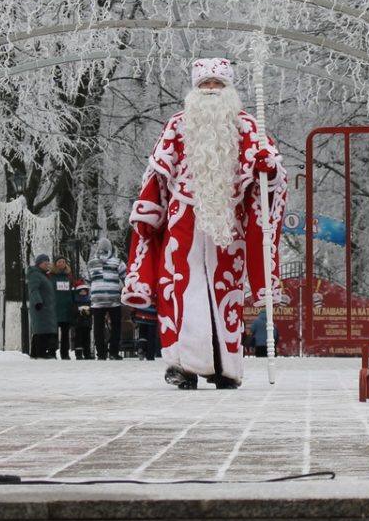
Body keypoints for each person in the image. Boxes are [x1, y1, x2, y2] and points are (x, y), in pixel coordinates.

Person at [122, 57, 287, 390]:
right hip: (183, 223)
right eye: (205, 84)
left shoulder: (247, 126)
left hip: (229, 222)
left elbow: (268, 182)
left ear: (228, 89)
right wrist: (149, 212)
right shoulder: (178, 124)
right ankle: (182, 366)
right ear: (195, 89)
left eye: (218, 84)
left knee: (224, 293)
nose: (211, 90)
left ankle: (224, 368)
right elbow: (158, 173)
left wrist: (269, 170)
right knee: (181, 292)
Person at [87, 237, 126, 360]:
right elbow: (125, 277)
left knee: (98, 326)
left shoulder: (91, 263)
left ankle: (101, 353)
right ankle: (114, 352)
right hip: (113, 297)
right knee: (116, 325)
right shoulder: (117, 262)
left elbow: (87, 280)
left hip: (97, 298)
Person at [27, 253, 56, 359]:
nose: (47, 264)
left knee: (41, 330)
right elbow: (33, 289)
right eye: (45, 262)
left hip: (46, 307)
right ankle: (41, 353)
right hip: (40, 307)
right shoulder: (35, 274)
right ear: (39, 263)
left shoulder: (44, 275)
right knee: (41, 330)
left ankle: (35, 353)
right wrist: (38, 302)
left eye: (48, 262)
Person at [51, 256, 77, 359]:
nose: (61, 263)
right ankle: (52, 352)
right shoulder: (51, 276)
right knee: (53, 333)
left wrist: (73, 304)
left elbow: (72, 291)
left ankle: (65, 354)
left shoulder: (69, 277)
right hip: (54, 308)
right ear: (55, 263)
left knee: (65, 333)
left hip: (67, 308)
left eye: (63, 262)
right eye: (59, 262)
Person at [72, 279, 93, 359]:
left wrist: (89, 312)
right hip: (78, 324)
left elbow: (92, 310)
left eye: (85, 291)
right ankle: (79, 354)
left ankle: (87, 354)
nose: (83, 292)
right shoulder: (76, 301)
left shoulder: (89, 301)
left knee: (87, 339)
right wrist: (79, 312)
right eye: (81, 291)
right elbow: (74, 310)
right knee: (78, 339)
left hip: (87, 324)